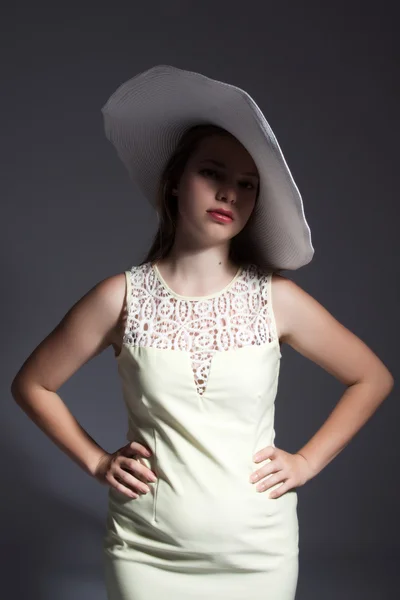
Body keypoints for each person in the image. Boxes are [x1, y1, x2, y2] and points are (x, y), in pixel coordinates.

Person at [11, 65, 394, 600]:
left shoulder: (276, 299)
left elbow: (372, 377)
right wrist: (98, 461)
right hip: (145, 551)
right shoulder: (119, 297)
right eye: (213, 174)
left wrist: (306, 462)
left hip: (259, 555)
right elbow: (33, 384)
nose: (229, 194)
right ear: (174, 182)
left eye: (246, 185)